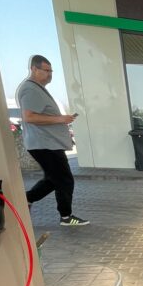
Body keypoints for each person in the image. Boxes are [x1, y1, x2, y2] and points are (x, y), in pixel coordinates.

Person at [16, 54, 89, 226]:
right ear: (34, 69)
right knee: (64, 180)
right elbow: (29, 117)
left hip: (47, 144)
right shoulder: (30, 89)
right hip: (44, 144)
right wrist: (61, 119)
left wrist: (62, 119)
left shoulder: (36, 88)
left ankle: (26, 199)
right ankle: (66, 217)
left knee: (52, 179)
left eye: (51, 71)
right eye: (46, 70)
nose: (49, 74)